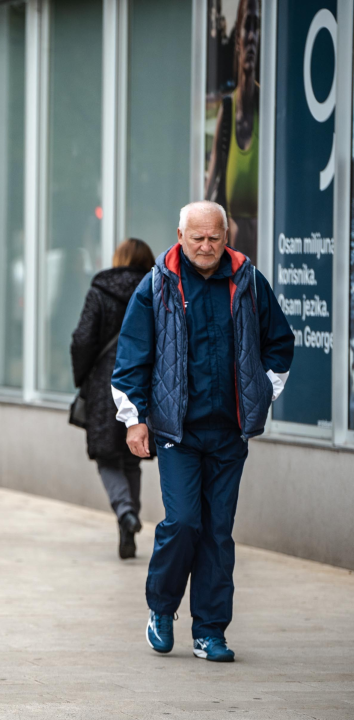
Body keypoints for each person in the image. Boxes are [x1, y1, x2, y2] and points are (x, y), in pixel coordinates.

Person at [111, 201, 293, 662]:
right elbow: (131, 357)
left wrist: (262, 393)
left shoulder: (249, 281)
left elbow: (280, 342)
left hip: (229, 432)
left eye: (214, 237)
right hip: (178, 433)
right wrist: (134, 420)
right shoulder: (158, 284)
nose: (206, 246)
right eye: (198, 238)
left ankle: (210, 632)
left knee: (217, 532)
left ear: (226, 236)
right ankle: (161, 607)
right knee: (183, 522)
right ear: (180, 236)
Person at [71, 238, 156, 559]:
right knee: (132, 456)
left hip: (105, 382)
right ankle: (128, 524)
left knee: (106, 456)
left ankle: (125, 512)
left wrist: (83, 376)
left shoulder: (100, 291)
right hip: (143, 381)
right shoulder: (156, 289)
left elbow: (82, 339)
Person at [205, 0, 260, 262]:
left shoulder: (268, 110)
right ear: (237, 37)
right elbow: (210, 186)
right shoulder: (227, 112)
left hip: (266, 268)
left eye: (257, 27)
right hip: (230, 271)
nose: (252, 37)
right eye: (247, 25)